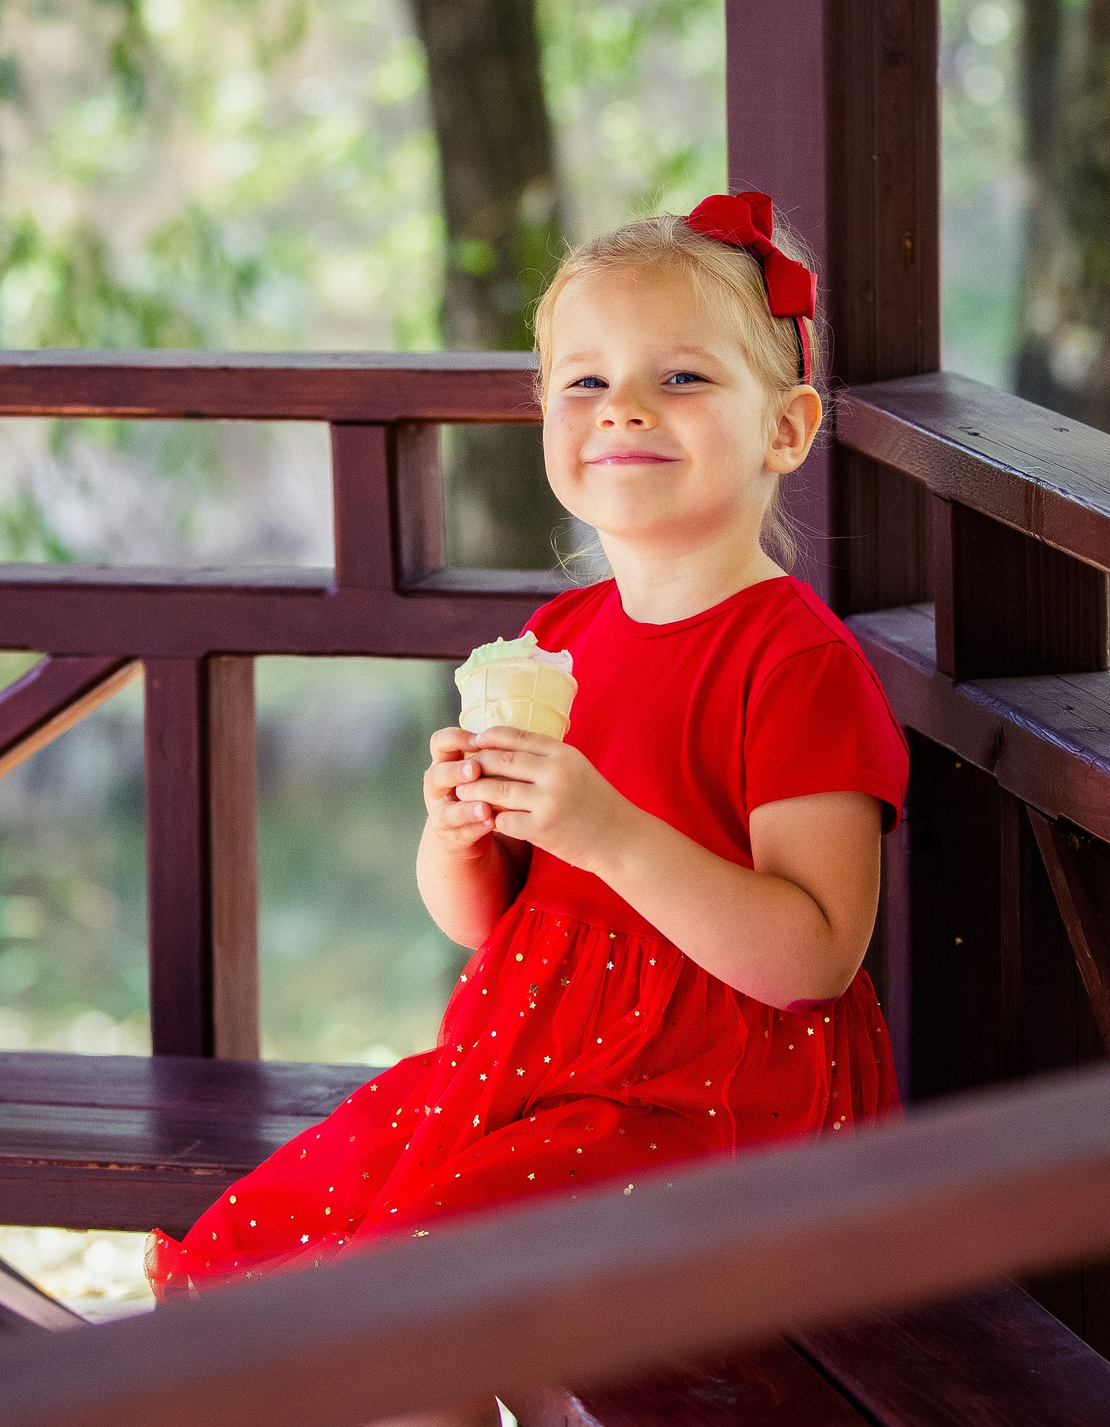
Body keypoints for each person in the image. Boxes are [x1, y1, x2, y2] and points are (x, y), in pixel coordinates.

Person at [146, 193, 907, 1323]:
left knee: (407, 1296)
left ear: (786, 429)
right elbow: (485, 922)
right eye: (585, 380)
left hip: (708, 1114)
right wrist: (458, 835)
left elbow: (814, 958)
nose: (625, 407)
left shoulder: (794, 664)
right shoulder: (555, 642)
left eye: (682, 377)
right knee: (261, 1256)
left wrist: (607, 832)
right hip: (527, 1069)